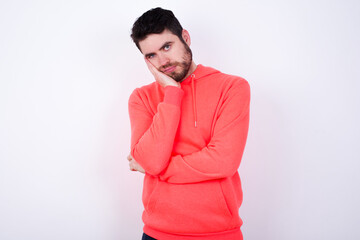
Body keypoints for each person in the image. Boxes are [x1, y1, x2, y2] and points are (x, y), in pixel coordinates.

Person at [127, 7, 250, 240]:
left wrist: (159, 169)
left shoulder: (232, 88)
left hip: (219, 233)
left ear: (185, 37)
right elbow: (150, 160)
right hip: (157, 234)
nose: (163, 61)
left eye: (167, 47)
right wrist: (172, 93)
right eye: (151, 55)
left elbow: (223, 161)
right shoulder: (141, 98)